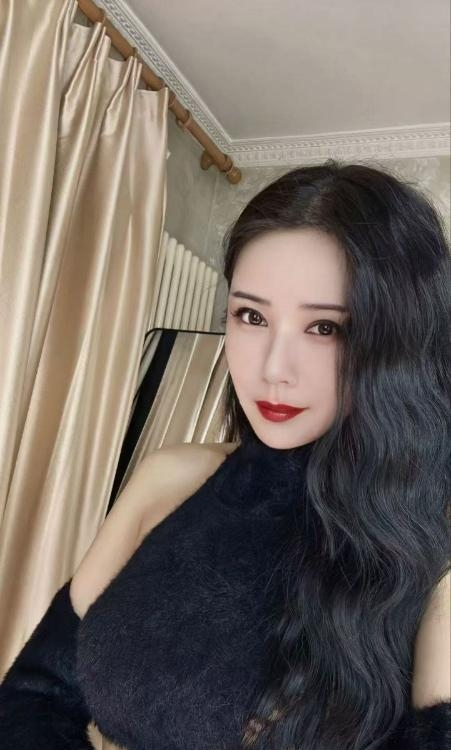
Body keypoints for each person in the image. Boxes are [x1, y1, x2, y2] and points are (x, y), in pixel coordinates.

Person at [0, 160, 449, 750]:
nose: (273, 369)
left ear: (402, 343)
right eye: (251, 316)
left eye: (326, 328)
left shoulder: (432, 550)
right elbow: (34, 693)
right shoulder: (173, 480)